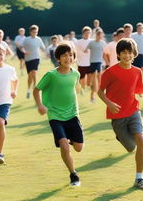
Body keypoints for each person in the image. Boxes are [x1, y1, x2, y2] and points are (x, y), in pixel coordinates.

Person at [98, 38, 143, 190]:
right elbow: (100, 91)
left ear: (134, 54)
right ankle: (123, 136)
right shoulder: (110, 72)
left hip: (134, 110)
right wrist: (109, 103)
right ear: (118, 54)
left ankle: (139, 178)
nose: (127, 55)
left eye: (129, 53)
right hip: (117, 116)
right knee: (130, 147)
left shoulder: (137, 71)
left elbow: (136, 89)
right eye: (123, 53)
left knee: (141, 140)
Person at [33, 42, 83, 186]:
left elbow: (73, 89)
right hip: (55, 115)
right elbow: (37, 90)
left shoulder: (76, 74)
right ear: (58, 58)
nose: (68, 58)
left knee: (78, 148)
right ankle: (73, 174)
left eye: (70, 55)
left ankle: (70, 139)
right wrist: (40, 105)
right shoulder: (51, 75)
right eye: (64, 55)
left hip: (73, 114)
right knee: (64, 145)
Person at [21, 25, 45, 98]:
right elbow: (21, 48)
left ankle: (35, 86)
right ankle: (28, 89)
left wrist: (46, 52)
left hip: (36, 58)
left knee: (34, 72)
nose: (35, 33)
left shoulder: (38, 39)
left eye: (36, 32)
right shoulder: (26, 39)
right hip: (28, 59)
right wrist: (25, 52)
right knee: (30, 75)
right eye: (34, 32)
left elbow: (43, 48)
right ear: (30, 32)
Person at [85, 29, 106, 102]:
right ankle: (92, 94)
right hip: (92, 62)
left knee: (98, 77)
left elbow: (105, 53)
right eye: (98, 35)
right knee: (93, 78)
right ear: (96, 35)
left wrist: (107, 61)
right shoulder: (91, 42)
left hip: (99, 62)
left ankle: (98, 93)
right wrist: (86, 51)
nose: (99, 36)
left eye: (100, 35)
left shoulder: (103, 43)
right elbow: (86, 49)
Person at [75, 26, 92, 94]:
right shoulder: (78, 42)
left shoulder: (92, 41)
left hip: (90, 62)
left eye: (88, 33)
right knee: (81, 77)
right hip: (81, 62)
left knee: (89, 77)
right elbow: (75, 51)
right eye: (86, 33)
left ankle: (88, 88)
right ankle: (82, 88)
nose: (87, 34)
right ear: (83, 33)